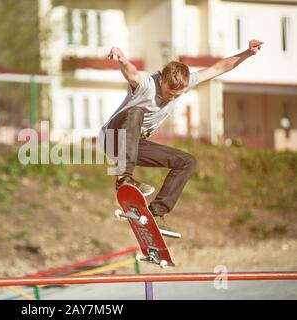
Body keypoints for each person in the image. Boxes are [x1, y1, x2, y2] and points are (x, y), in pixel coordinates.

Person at [101, 39, 263, 234]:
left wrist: (247, 53)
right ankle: (123, 178)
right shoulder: (147, 84)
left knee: (187, 162)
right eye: (169, 93)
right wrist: (122, 59)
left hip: (133, 144)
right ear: (161, 80)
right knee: (137, 111)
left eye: (177, 95)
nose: (172, 98)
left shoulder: (184, 85)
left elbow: (218, 68)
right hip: (112, 137)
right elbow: (131, 73)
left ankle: (157, 213)